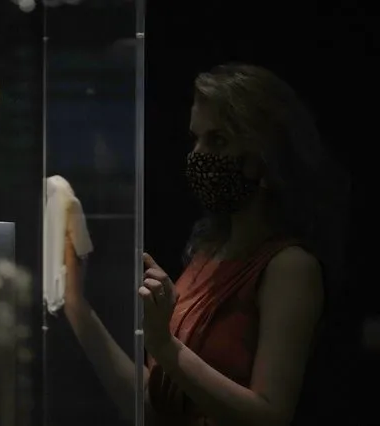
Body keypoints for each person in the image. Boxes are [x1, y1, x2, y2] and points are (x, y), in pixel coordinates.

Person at [62, 63, 349, 425]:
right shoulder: (207, 254)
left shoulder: (289, 266)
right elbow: (157, 408)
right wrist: (76, 305)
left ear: (264, 157)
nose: (198, 154)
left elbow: (270, 415)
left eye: (218, 140)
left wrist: (165, 347)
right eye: (196, 138)